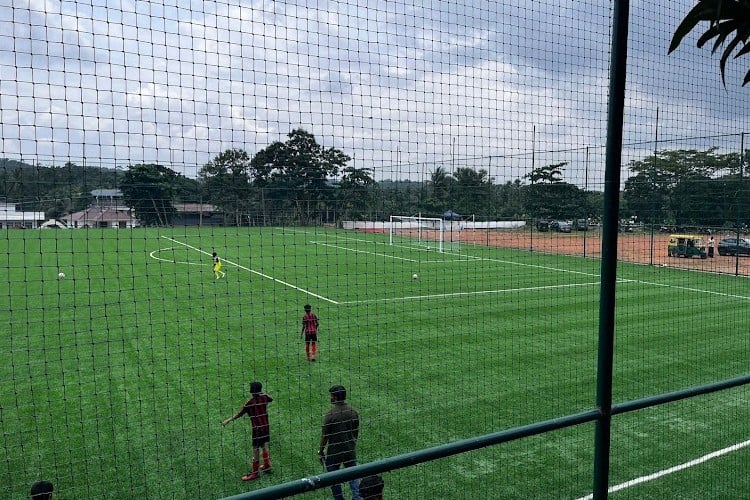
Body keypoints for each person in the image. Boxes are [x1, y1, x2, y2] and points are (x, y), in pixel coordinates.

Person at [222, 381, 273, 481]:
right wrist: (262, 392)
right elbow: (271, 398)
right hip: (266, 427)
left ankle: (255, 473)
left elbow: (239, 414)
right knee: (264, 445)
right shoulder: (264, 398)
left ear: (251, 391)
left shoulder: (250, 403)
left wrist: (227, 420)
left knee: (255, 449)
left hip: (257, 430)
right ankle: (267, 465)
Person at [319, 385, 360, 500]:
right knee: (354, 475)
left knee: (333, 478)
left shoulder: (330, 415)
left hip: (334, 452)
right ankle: (357, 497)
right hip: (350, 450)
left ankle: (339, 498)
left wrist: (320, 451)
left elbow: (324, 436)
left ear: (335, 397)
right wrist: (352, 444)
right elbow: (355, 432)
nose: (330, 398)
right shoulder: (353, 412)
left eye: (331, 396)